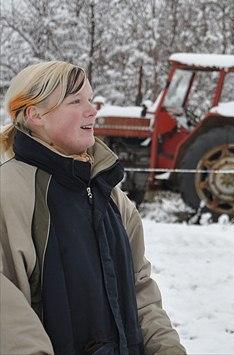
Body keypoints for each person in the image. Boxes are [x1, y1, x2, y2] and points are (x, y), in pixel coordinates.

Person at [0, 61, 185, 354]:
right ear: (35, 114)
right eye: (76, 101)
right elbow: (8, 320)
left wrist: (167, 349)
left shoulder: (109, 193)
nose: (92, 110)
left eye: (90, 98)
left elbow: (140, 289)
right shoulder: (8, 193)